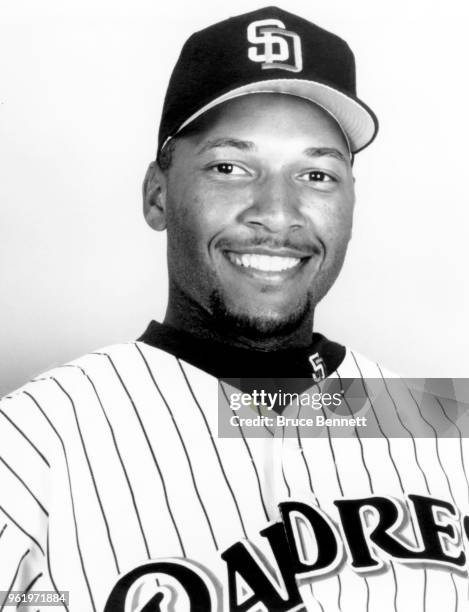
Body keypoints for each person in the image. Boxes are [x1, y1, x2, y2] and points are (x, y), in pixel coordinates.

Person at [1, 6, 468, 612]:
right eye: (229, 167)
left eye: (317, 174)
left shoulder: (442, 424)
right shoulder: (33, 443)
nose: (277, 212)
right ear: (157, 195)